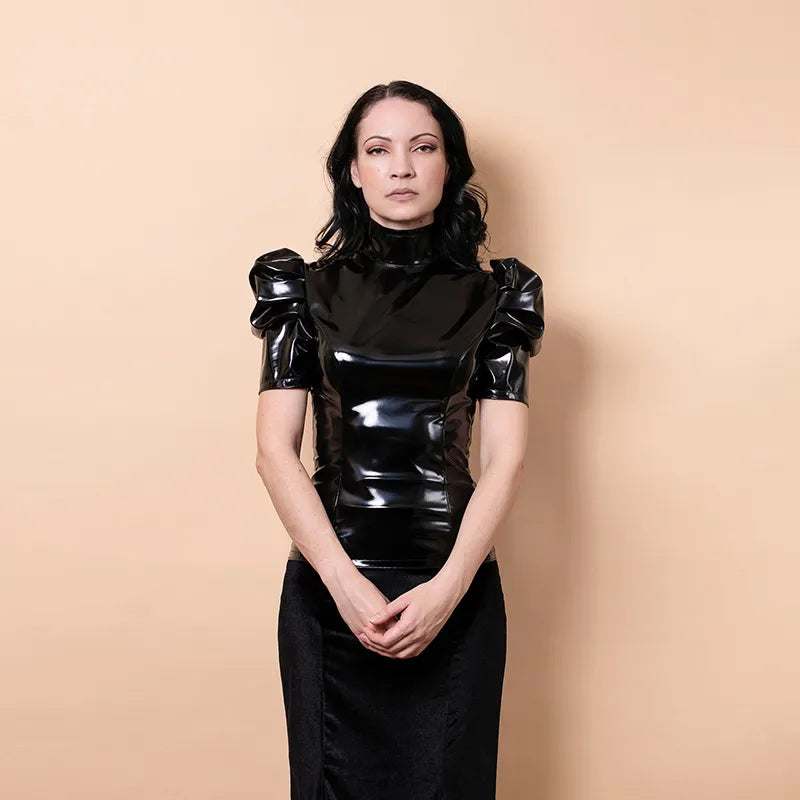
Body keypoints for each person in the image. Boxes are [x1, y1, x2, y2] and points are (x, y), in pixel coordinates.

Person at [248, 80, 544, 800]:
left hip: (455, 586)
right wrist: (343, 584)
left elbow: (505, 458)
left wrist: (448, 590)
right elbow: (274, 451)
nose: (402, 167)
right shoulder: (301, 290)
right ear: (354, 170)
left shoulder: (498, 296)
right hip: (331, 590)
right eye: (379, 150)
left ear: (450, 165)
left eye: (423, 147)